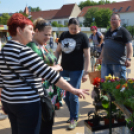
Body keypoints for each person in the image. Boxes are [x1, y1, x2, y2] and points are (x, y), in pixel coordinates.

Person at [0, 13, 89, 134]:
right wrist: (74, 90)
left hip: (10, 102)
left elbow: (1, 80)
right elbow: (49, 74)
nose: (32, 32)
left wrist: (4, 101)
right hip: (27, 103)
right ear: (19, 30)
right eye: (30, 29)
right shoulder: (24, 51)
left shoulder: (5, 49)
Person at [26, 18, 63, 134]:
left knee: (47, 123)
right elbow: (37, 71)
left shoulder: (42, 46)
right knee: (43, 126)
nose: (48, 37)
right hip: (40, 93)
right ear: (36, 31)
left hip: (48, 92)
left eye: (50, 35)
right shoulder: (33, 47)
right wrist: (56, 68)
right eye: (46, 34)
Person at [55, 18, 90, 130]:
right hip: (64, 69)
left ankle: (73, 118)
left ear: (79, 27)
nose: (74, 30)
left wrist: (86, 72)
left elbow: (87, 56)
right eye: (71, 28)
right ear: (68, 27)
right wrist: (55, 64)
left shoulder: (83, 37)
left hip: (77, 70)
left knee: (73, 96)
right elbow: (57, 51)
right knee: (65, 96)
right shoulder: (64, 35)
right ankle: (74, 114)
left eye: (76, 28)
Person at [97, 13, 133, 79]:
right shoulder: (108, 32)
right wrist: (100, 57)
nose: (113, 21)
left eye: (115, 19)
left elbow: (129, 46)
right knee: (105, 85)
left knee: (120, 86)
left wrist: (128, 59)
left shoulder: (123, 31)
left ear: (119, 21)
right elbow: (105, 46)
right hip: (106, 63)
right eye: (112, 19)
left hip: (118, 64)